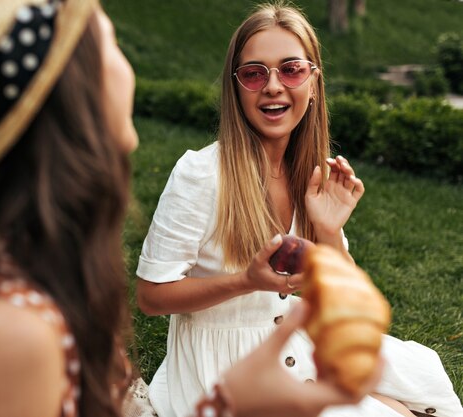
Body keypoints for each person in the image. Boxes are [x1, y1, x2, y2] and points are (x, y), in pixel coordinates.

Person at [0, 0, 385, 416]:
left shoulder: (30, 272)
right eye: (108, 36)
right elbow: (154, 296)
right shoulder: (5, 331)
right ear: (77, 83)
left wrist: (232, 402)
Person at [136, 3, 463, 417]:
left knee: (423, 396)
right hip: (230, 369)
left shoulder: (309, 174)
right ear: (236, 88)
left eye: (290, 69)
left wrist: (328, 231)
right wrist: (245, 281)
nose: (273, 85)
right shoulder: (201, 174)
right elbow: (150, 296)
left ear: (312, 82)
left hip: (300, 340)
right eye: (254, 73)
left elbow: (345, 302)